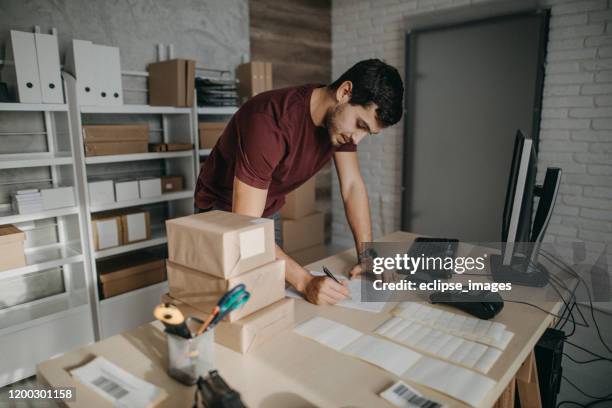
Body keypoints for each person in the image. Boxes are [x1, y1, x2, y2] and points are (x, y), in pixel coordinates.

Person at [195, 59, 404, 305]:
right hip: (221, 211)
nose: (356, 140)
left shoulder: (338, 121)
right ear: (344, 92)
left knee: (269, 296)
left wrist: (367, 254)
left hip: (267, 208)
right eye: (360, 125)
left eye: (367, 132)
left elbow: (352, 187)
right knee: (226, 303)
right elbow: (245, 227)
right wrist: (304, 281)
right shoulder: (270, 122)